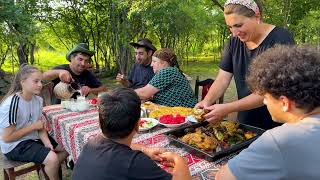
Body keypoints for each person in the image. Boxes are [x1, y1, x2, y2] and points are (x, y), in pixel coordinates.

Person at [215, 45, 320, 180]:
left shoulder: (279, 141)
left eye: (265, 97)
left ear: (284, 103)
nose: (264, 102)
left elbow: (223, 178)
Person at [195, 0, 295, 129]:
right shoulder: (233, 42)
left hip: (277, 124)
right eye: (230, 27)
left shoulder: (281, 39)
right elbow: (222, 78)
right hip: (246, 121)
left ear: (257, 17)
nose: (234, 33)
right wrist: (206, 102)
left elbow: (270, 91)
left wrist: (228, 108)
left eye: (238, 25)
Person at [71, 88, 191, 180]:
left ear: (99, 121)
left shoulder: (92, 143)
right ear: (138, 125)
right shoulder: (135, 162)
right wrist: (179, 159)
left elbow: (118, 147)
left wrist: (145, 149)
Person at [0, 65, 68, 180]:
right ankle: (50, 166)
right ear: (23, 82)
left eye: (41, 81)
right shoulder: (12, 104)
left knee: (67, 147)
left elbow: (40, 127)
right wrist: (33, 127)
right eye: (36, 81)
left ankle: (46, 169)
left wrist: (47, 143)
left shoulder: (38, 100)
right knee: (52, 159)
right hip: (14, 145)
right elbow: (7, 137)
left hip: (32, 138)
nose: (40, 85)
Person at [43, 43, 107, 104]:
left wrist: (90, 90)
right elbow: (43, 77)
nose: (83, 64)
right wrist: (60, 72)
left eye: (86, 61)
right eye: (80, 59)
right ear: (72, 58)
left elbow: (104, 90)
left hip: (79, 110)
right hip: (58, 109)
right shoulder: (61, 68)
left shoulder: (87, 74)